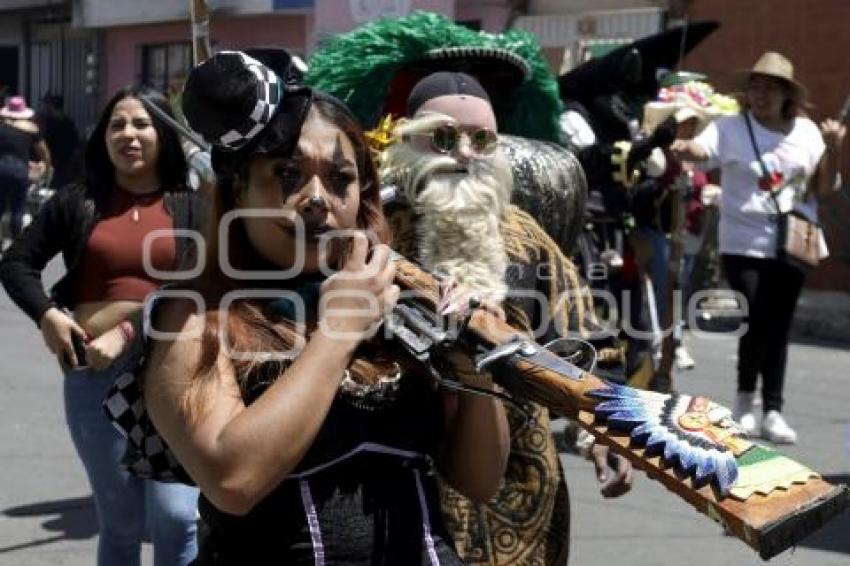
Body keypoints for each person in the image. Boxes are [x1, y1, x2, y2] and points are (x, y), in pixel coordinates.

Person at [141, 49, 509, 565]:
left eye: (341, 180)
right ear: (238, 189)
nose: (317, 198)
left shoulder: (402, 305)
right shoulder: (191, 316)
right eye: (287, 174)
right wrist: (337, 333)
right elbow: (233, 479)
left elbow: (480, 480)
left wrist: (475, 372)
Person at [381, 71, 633, 565]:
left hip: (523, 483)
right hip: (403, 480)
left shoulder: (526, 235)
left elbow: (587, 337)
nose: (466, 153)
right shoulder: (377, 233)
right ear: (409, 138)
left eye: (482, 139)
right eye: (445, 137)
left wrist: (607, 433)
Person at [0, 86, 200, 565]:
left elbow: (198, 286)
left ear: (164, 134)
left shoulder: (193, 205)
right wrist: (47, 315)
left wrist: (129, 331)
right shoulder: (78, 201)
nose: (128, 134)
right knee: (121, 521)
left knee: (176, 517)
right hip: (93, 377)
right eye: (117, 124)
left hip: (177, 369)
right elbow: (16, 263)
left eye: (142, 124)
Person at [671, 51, 835, 444]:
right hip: (742, 240)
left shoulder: (808, 132)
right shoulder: (730, 127)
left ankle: (773, 410)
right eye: (755, 86)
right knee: (757, 317)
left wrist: (835, 148)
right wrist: (683, 146)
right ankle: (745, 402)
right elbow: (701, 151)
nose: (760, 94)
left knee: (778, 326)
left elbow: (825, 187)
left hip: (794, 241)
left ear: (787, 95)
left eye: (770, 88)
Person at [0, 95, 51, 240]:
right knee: (18, 208)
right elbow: (44, 153)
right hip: (19, 172)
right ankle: (16, 242)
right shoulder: (32, 130)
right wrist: (46, 169)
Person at [36, 93, 81, 188]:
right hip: (64, 160)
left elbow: (44, 141)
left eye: (47, 105)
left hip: (55, 160)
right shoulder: (68, 123)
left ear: (51, 106)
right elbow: (75, 143)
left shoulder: (50, 123)